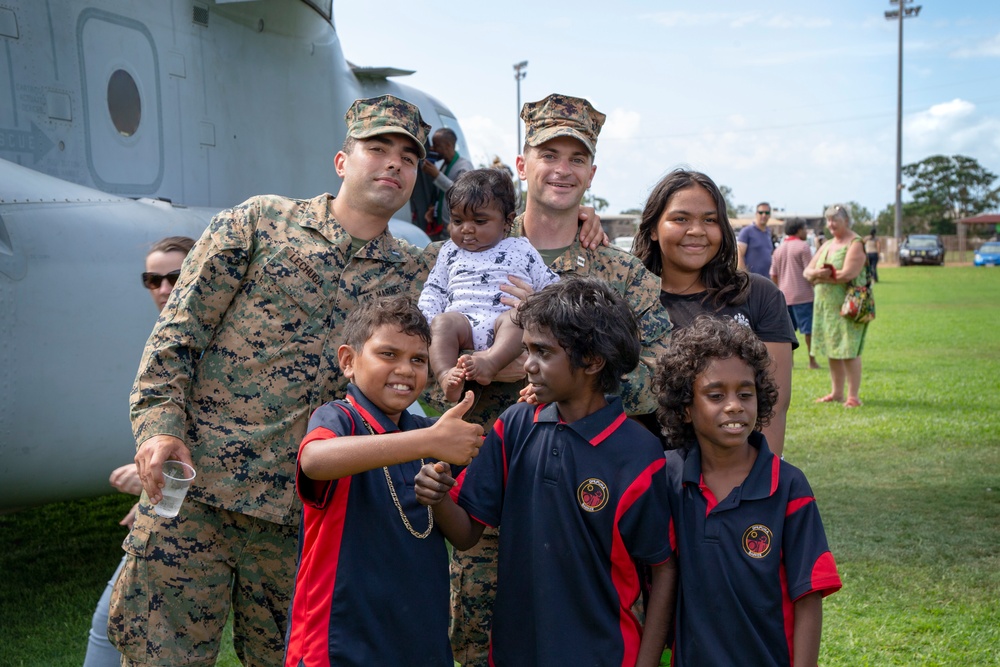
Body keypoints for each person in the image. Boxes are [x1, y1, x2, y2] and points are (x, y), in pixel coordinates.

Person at [108, 95, 434, 667]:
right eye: (377, 148)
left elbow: (495, 264)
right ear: (341, 161)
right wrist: (158, 429)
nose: (393, 164)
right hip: (198, 498)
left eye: (408, 157)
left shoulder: (412, 273)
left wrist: (576, 225)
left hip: (307, 525)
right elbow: (177, 335)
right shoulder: (258, 223)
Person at [435, 93, 674, 667]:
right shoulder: (467, 243)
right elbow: (422, 351)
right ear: (523, 164)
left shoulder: (617, 272)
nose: (562, 168)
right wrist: (476, 368)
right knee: (478, 642)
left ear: (592, 172)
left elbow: (665, 371)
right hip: (483, 495)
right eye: (548, 153)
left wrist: (556, 368)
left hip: (587, 501)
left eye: (577, 157)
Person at [415, 278, 676, 667]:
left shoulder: (639, 454)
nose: (528, 365)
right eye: (526, 350)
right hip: (515, 650)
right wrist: (436, 498)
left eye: (543, 352)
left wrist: (647, 662)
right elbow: (467, 532)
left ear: (592, 360)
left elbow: (663, 567)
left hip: (604, 652)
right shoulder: (516, 424)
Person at [283, 296, 482, 666]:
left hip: (418, 637)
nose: (405, 369)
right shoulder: (340, 418)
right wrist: (429, 442)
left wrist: (438, 498)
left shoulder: (428, 431)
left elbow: (466, 536)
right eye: (388, 354)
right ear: (348, 361)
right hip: (340, 638)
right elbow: (314, 460)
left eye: (418, 360)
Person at [652, 316, 842, 666]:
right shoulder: (667, 477)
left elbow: (809, 595)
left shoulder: (788, 486)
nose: (734, 405)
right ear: (686, 409)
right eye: (715, 394)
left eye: (745, 393)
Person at [83, 236, 194, 667]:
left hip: (206, 521)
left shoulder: (216, 343)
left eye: (176, 276)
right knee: (116, 624)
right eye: (153, 279)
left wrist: (153, 474)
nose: (164, 288)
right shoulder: (165, 339)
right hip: (168, 512)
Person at [631, 169, 795, 456]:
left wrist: (761, 481)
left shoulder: (759, 295)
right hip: (656, 477)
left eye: (710, 220)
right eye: (680, 219)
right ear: (654, 229)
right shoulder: (631, 301)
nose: (697, 231)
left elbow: (774, 405)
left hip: (740, 474)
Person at [419, 169, 558, 402]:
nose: (467, 229)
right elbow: (434, 289)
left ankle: (490, 362)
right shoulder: (449, 251)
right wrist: (429, 321)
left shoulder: (521, 248)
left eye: (480, 221)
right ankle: (446, 377)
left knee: (518, 318)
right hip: (461, 324)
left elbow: (551, 285)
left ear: (507, 221)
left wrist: (535, 306)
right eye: (457, 220)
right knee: (442, 323)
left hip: (503, 325)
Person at [804, 204, 870, 408]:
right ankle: (837, 392)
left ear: (847, 221)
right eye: (829, 220)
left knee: (848, 349)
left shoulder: (855, 243)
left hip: (847, 306)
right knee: (833, 349)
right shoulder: (827, 244)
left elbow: (848, 274)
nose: (831, 224)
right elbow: (807, 271)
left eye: (835, 220)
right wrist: (817, 275)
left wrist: (821, 277)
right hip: (825, 307)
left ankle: (853, 396)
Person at [770, 220, 822, 369]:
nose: (806, 232)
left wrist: (780, 288)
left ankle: (790, 362)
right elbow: (809, 272)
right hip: (803, 296)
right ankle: (812, 361)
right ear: (798, 230)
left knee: (788, 333)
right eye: (805, 229)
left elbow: (773, 274)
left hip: (785, 297)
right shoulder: (803, 247)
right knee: (808, 331)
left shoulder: (778, 250)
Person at [423, 127, 474, 239]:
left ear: (448, 146)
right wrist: (434, 210)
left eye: (436, 145)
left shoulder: (464, 167)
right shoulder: (444, 165)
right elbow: (443, 195)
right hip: (442, 230)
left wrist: (437, 175)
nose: (432, 148)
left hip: (455, 232)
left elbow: (462, 194)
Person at [737, 201, 775, 276]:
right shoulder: (747, 231)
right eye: (761, 212)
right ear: (756, 214)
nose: (764, 215)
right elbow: (739, 255)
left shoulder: (768, 233)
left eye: (767, 213)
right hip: (752, 280)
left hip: (767, 280)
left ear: (769, 215)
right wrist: (745, 278)